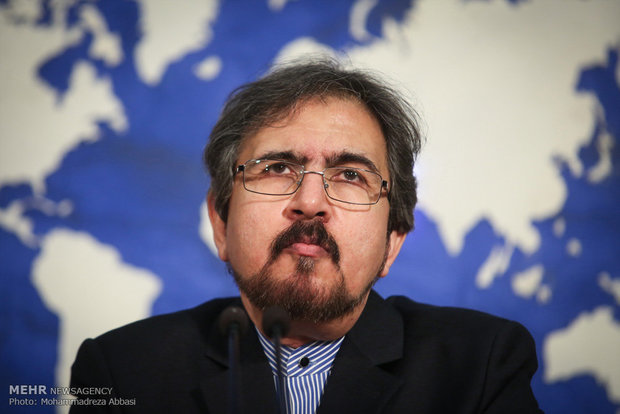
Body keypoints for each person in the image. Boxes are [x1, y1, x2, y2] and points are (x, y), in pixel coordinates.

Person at [69, 58, 543, 413]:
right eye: (277, 168)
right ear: (221, 223)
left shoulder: (480, 366)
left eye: (351, 175)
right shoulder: (120, 372)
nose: (311, 201)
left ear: (393, 241)